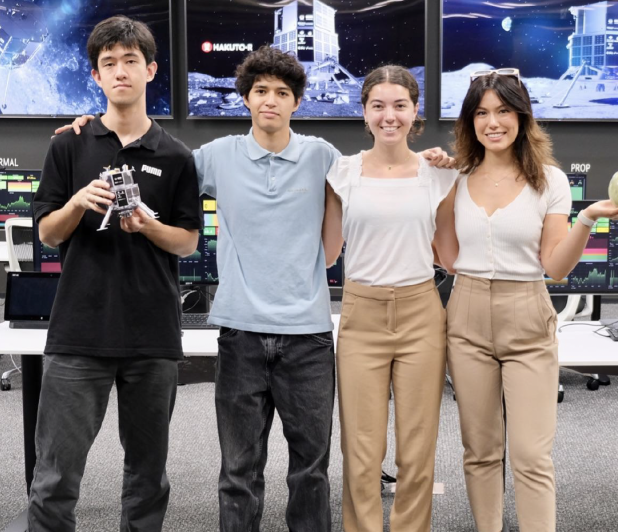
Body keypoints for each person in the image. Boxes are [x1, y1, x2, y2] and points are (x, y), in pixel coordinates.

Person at [56, 45, 454, 532]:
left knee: (310, 471)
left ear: (297, 102)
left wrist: (435, 157)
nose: (271, 100)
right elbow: (149, 164)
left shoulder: (324, 158)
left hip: (307, 337)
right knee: (239, 472)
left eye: (282, 92)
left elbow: (384, 171)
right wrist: (92, 132)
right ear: (245, 98)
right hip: (240, 334)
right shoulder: (215, 157)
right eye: (260, 91)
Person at [437, 69, 618, 532]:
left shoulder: (549, 181)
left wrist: (587, 218)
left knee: (531, 454)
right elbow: (447, 256)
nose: (493, 122)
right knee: (481, 449)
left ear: (522, 116)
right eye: (482, 113)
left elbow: (556, 267)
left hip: (527, 315)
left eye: (503, 111)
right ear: (469, 121)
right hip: (465, 315)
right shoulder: (453, 179)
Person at [28, 16, 201, 532]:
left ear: (150, 70)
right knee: (56, 477)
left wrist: (148, 226)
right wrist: (79, 203)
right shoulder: (68, 146)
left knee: (148, 477)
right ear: (96, 77)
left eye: (130, 61)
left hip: (152, 336)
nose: (120, 71)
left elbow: (188, 242)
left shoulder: (176, 156)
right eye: (109, 64)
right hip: (78, 333)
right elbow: (48, 234)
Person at [321, 65, 458, 532]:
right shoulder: (341, 173)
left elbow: (450, 254)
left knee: (417, 450)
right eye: (378, 105)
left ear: (415, 111)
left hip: (422, 313)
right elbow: (325, 252)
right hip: (361, 314)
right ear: (364, 113)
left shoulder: (439, 176)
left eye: (399, 105)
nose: (389, 116)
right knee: (360, 450)